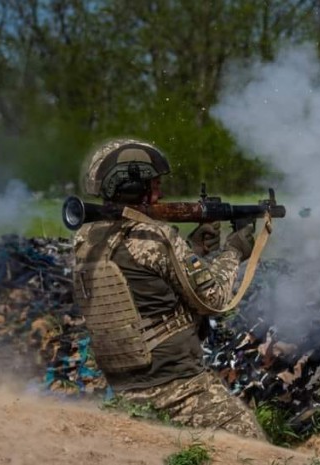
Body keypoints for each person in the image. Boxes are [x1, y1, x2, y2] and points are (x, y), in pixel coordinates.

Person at [71, 138, 265, 439]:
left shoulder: (86, 239)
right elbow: (213, 299)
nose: (159, 192)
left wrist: (193, 248)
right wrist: (233, 251)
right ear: (136, 188)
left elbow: (143, 277)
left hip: (124, 388)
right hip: (179, 387)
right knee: (251, 448)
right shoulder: (156, 237)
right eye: (154, 185)